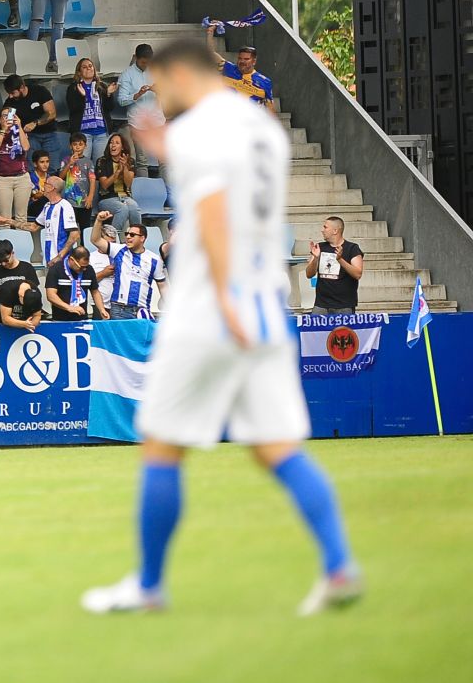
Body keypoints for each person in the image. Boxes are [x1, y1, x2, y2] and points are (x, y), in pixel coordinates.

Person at [83, 37, 361, 616]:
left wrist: (226, 301)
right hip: (266, 303)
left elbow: (211, 213)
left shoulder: (199, 128)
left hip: (214, 307)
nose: (162, 96)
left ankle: (150, 585)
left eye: (164, 83)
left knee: (161, 445)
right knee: (277, 449)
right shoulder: (263, 129)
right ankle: (339, 567)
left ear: (185, 74)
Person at [91, 212, 166, 320]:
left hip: (142, 310)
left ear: (142, 238)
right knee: (119, 337)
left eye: (132, 235)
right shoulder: (118, 250)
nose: (128, 237)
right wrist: (98, 220)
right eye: (126, 234)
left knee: (139, 337)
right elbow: (95, 240)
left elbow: (162, 286)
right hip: (119, 308)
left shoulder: (154, 259)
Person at [305, 215, 364, 313]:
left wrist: (340, 259)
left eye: (325, 227)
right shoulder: (319, 247)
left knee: (343, 329)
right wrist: (315, 258)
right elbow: (309, 274)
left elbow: (357, 274)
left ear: (335, 231)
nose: (322, 230)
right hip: (321, 304)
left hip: (344, 305)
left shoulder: (352, 248)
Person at [217, 40, 279, 113]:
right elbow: (211, 56)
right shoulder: (229, 69)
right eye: (240, 58)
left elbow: (270, 108)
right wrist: (210, 34)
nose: (242, 61)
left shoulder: (265, 81)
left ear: (254, 61)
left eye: (246, 59)